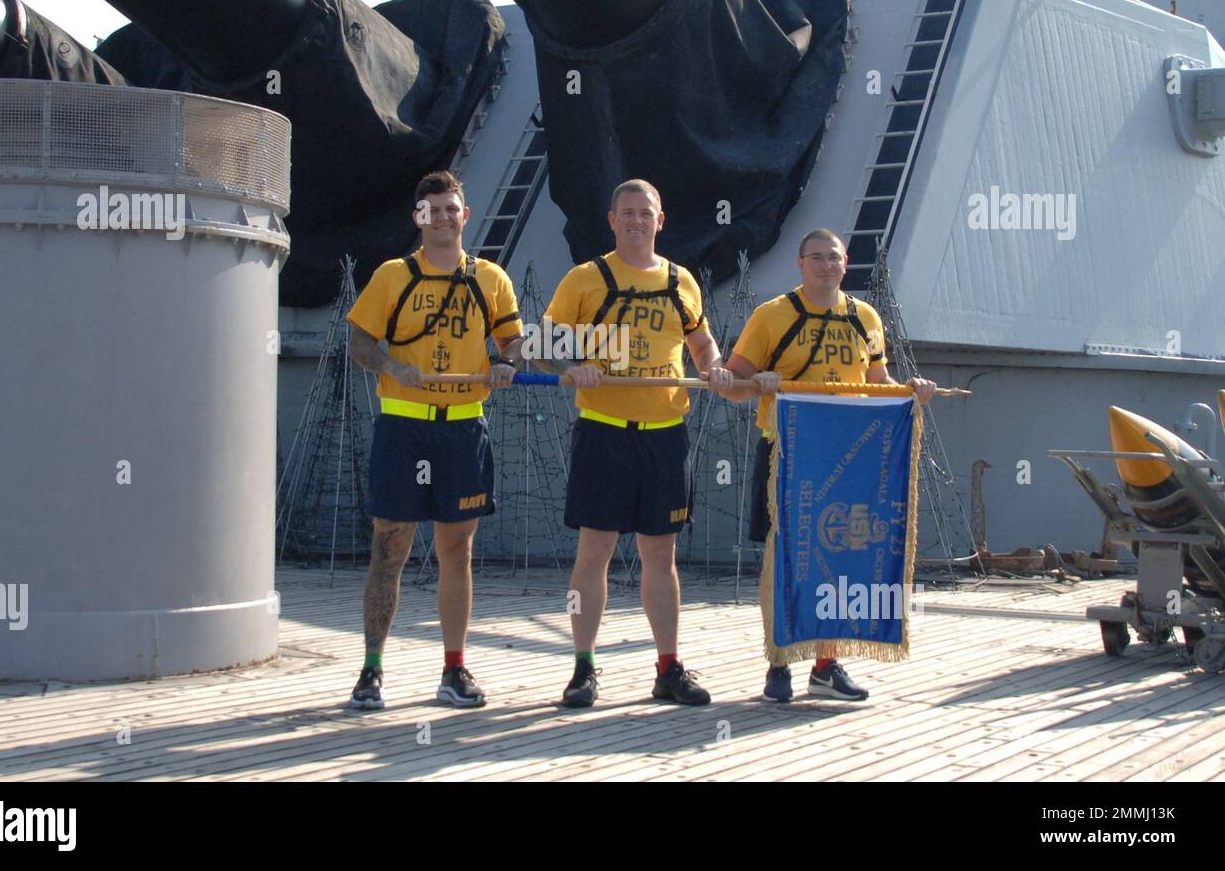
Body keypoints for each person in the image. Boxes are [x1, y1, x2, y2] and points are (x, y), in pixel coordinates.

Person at [539, 179, 734, 707]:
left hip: (665, 436)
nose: (635, 221)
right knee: (594, 552)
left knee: (660, 555)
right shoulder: (586, 279)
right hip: (604, 432)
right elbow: (543, 346)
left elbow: (700, 339)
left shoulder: (681, 281)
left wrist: (712, 367)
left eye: (645, 213)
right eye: (626, 213)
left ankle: (668, 668)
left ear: (660, 220)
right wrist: (571, 365)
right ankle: (583, 669)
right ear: (611, 219)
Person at [719, 228, 936, 703]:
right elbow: (731, 384)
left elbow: (878, 382)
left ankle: (826, 663)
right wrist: (759, 382)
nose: (826, 266)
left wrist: (911, 389)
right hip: (788, 451)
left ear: (845, 263)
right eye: (816, 258)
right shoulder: (772, 315)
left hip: (850, 453)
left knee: (839, 554)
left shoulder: (865, 317)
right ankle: (778, 662)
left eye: (833, 258)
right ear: (800, 264)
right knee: (784, 558)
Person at [344, 170, 524, 710]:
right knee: (389, 547)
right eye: (432, 209)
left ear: (465, 216)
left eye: (452, 209)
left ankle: (454, 670)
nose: (443, 218)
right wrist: (392, 364)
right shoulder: (392, 276)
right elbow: (359, 342)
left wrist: (505, 363)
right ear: (418, 218)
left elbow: (514, 342)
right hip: (404, 427)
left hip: (464, 429)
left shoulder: (490, 278)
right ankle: (371, 670)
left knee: (457, 550)